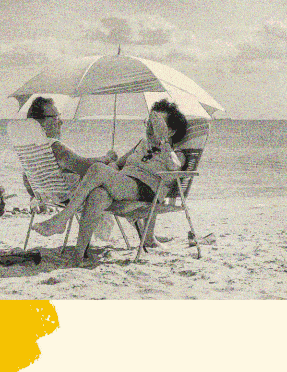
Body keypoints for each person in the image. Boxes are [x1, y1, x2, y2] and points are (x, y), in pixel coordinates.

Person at [32, 100, 188, 265]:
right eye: (149, 122)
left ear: (170, 131)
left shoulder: (175, 153)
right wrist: (111, 165)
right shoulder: (142, 144)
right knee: (98, 195)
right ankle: (78, 256)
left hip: (145, 190)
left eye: (156, 124)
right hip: (124, 184)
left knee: (98, 169)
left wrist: (162, 142)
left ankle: (62, 219)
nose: (149, 128)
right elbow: (119, 164)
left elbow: (176, 167)